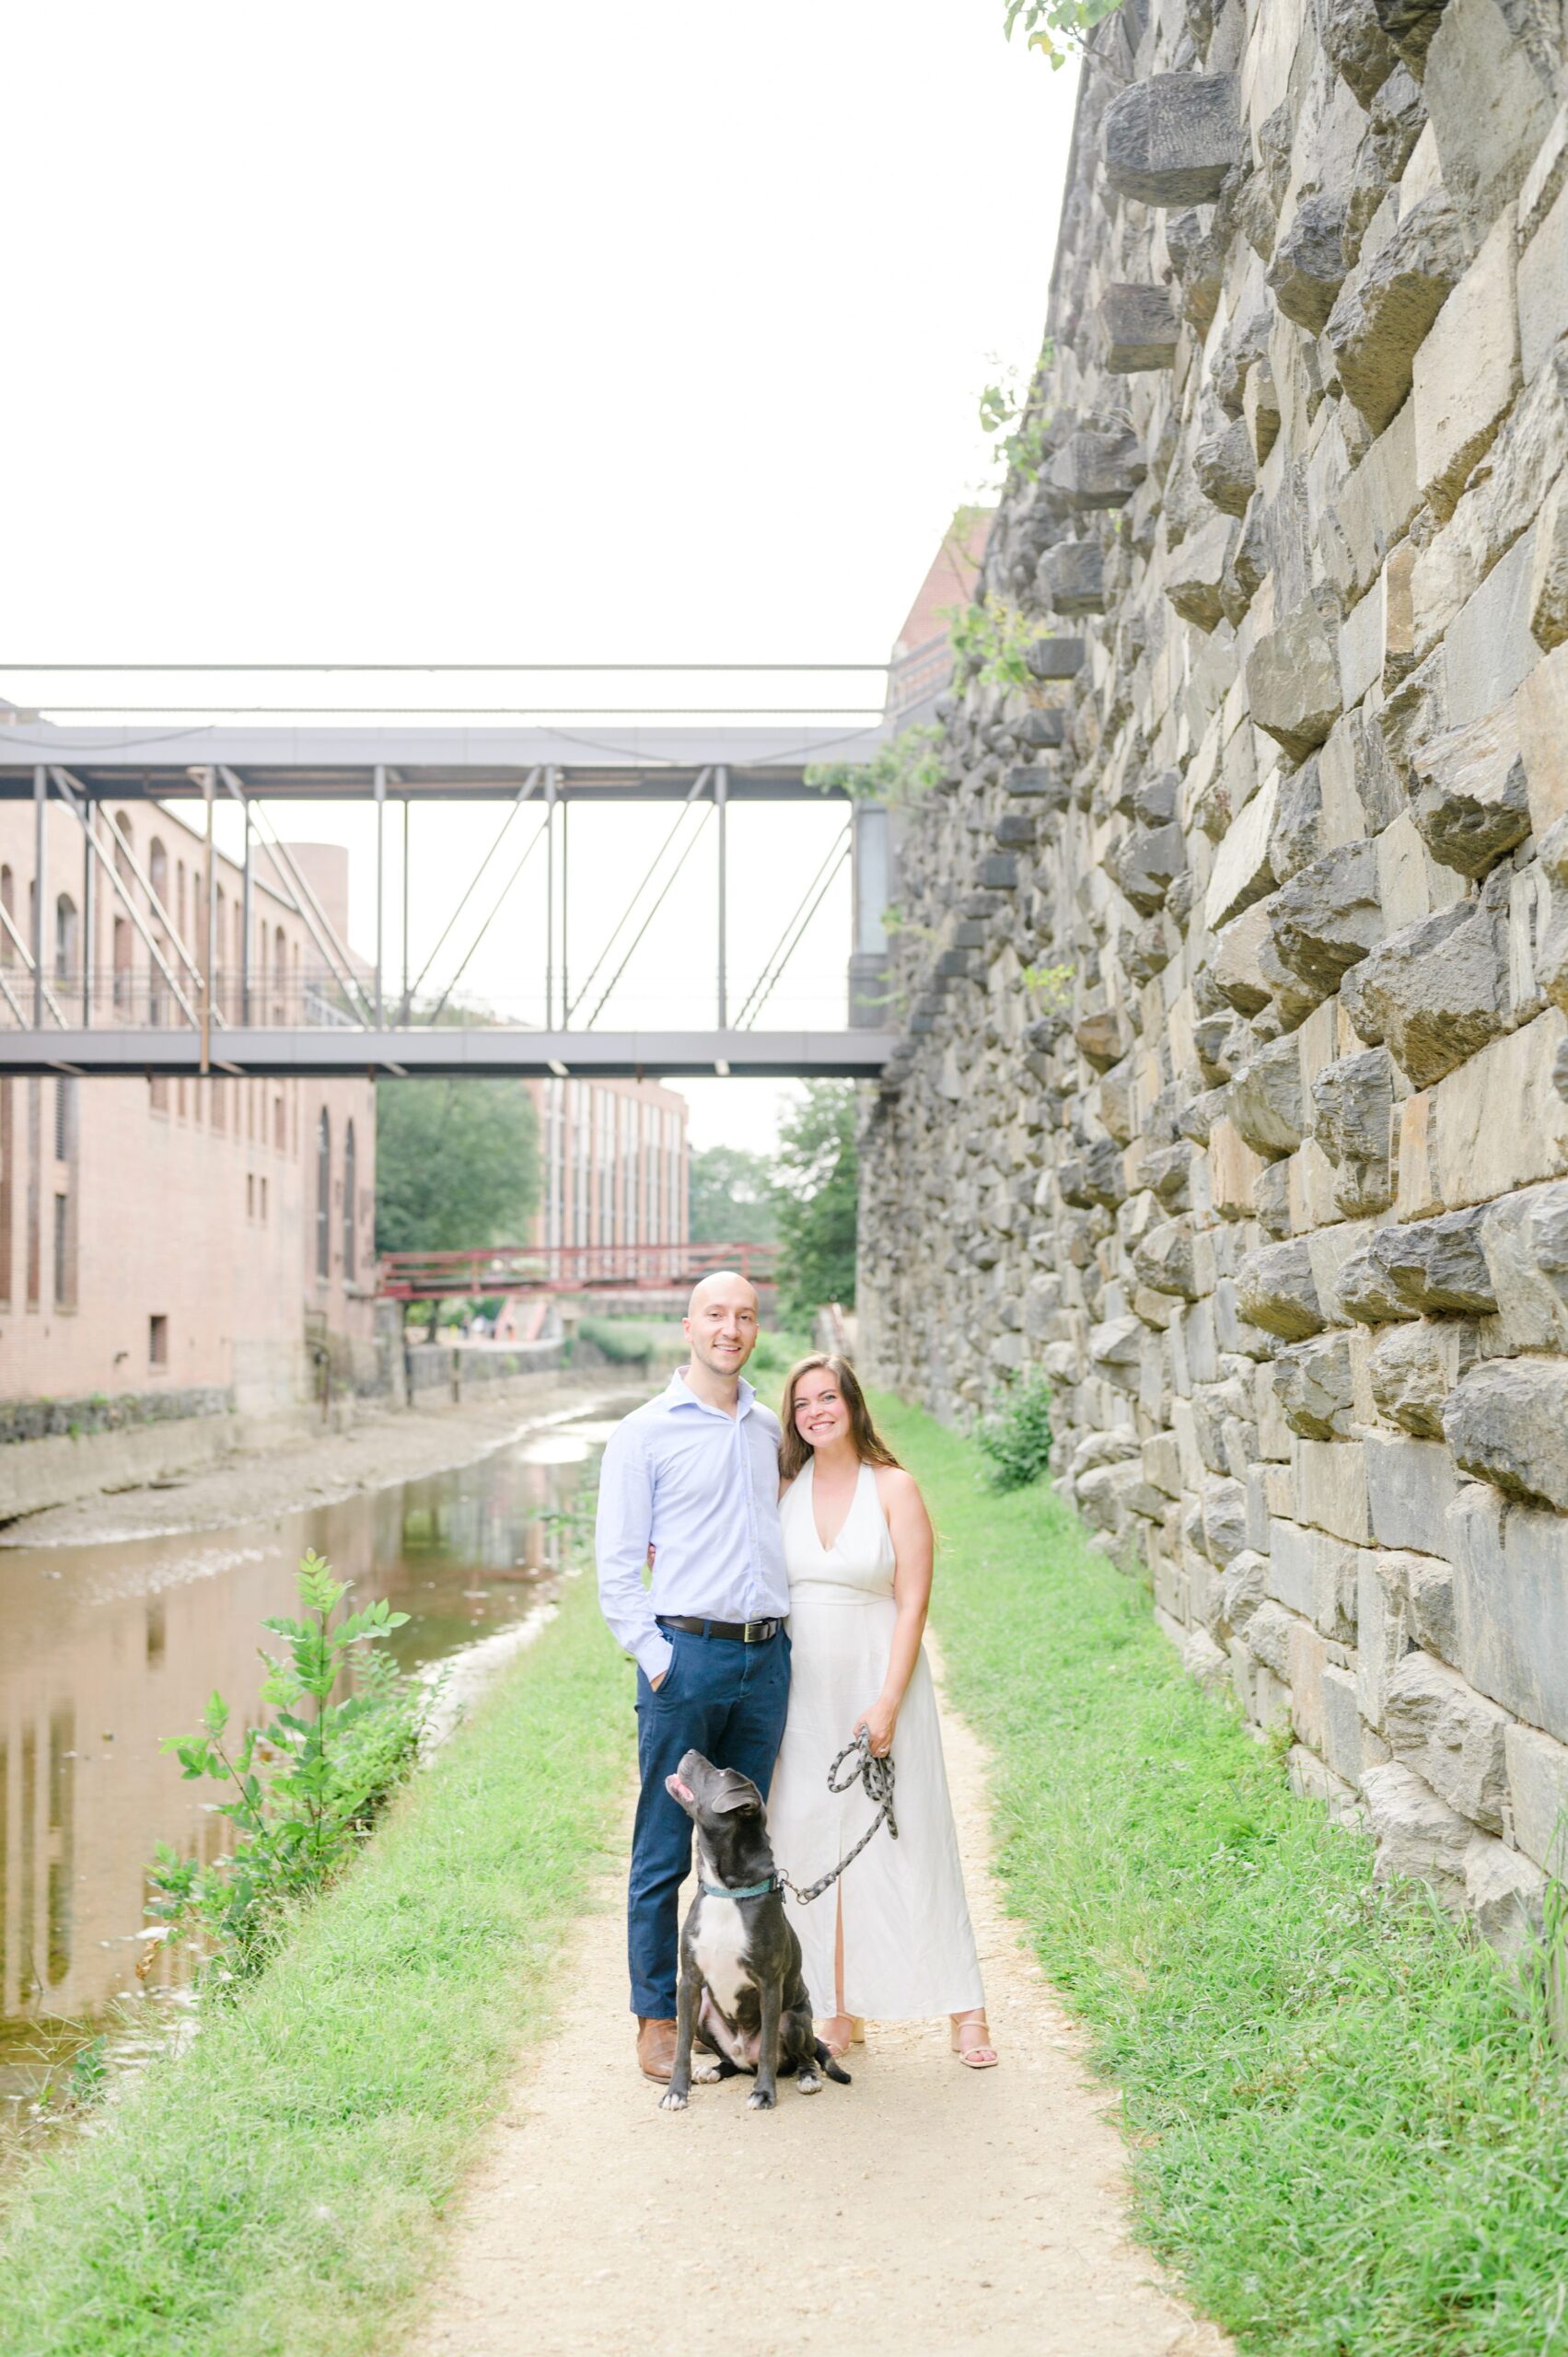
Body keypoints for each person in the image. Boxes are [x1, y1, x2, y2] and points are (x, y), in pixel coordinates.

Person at [766, 1353, 997, 2068]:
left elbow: (912, 1602)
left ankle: (966, 2011)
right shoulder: (784, 1487)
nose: (815, 1412)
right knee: (810, 1840)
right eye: (802, 1403)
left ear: (853, 1404)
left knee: (910, 1835)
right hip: (801, 1691)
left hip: (879, 1679)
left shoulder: (893, 1487)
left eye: (827, 1397)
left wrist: (888, 1700)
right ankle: (836, 2009)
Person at [594, 1271, 791, 2083]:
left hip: (764, 1658)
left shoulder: (767, 1427)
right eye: (716, 1314)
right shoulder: (643, 1433)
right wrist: (660, 1657)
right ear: (687, 1326)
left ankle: (740, 2003)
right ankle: (656, 2017)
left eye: (743, 1316)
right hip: (686, 1659)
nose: (730, 1328)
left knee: (745, 1841)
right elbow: (614, 1565)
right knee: (661, 1849)